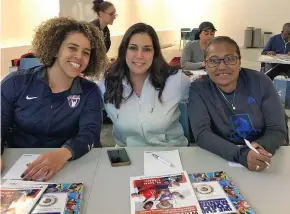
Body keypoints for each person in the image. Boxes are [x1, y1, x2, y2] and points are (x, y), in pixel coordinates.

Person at [1, 17, 108, 181]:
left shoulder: (89, 91)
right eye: (72, 48)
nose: (79, 56)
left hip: (69, 166)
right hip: (17, 168)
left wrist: (62, 155)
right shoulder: (15, 83)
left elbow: (90, 133)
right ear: (56, 49)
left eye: (86, 53)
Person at [188, 36, 287, 172]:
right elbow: (202, 133)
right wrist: (241, 155)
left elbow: (277, 129)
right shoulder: (199, 89)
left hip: (266, 157)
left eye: (230, 59)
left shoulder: (260, 82)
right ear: (205, 64)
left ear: (239, 61)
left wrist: (258, 150)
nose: (222, 66)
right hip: (223, 157)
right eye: (213, 60)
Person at [98, 23, 190, 147]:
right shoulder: (106, 84)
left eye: (147, 49)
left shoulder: (176, 80)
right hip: (128, 157)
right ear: (124, 50)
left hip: (171, 154)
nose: (139, 56)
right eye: (133, 48)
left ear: (155, 53)